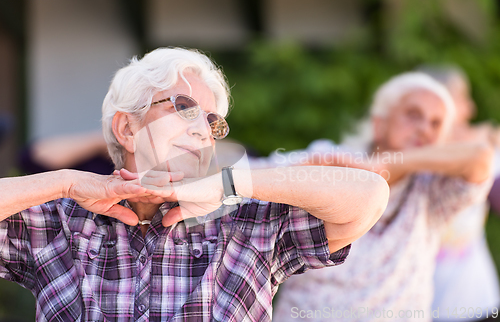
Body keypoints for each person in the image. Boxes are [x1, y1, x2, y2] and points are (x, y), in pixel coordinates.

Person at [0, 47, 389, 321]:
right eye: (184, 107)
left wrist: (229, 184)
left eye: (213, 121)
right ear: (127, 129)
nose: (204, 130)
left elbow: (370, 195)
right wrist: (66, 183)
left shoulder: (248, 221)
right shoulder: (59, 221)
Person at [273, 72, 494, 322]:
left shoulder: (432, 192)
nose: (424, 128)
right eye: (413, 115)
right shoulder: (330, 159)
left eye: (435, 124)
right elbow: (256, 177)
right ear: (380, 124)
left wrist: (388, 164)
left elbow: (481, 157)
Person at [419, 66, 500, 321]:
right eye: (464, 99)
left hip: (476, 301)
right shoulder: (405, 154)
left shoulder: (484, 149)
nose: (471, 109)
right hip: (416, 306)